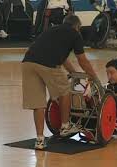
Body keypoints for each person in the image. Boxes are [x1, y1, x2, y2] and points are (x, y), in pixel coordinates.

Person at [22, 15, 101, 149]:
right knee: (65, 91)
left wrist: (73, 73)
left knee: (38, 104)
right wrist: (94, 77)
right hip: (48, 64)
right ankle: (65, 126)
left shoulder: (52, 30)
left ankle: (40, 140)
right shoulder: (75, 34)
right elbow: (83, 60)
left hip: (28, 63)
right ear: (77, 27)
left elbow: (63, 58)